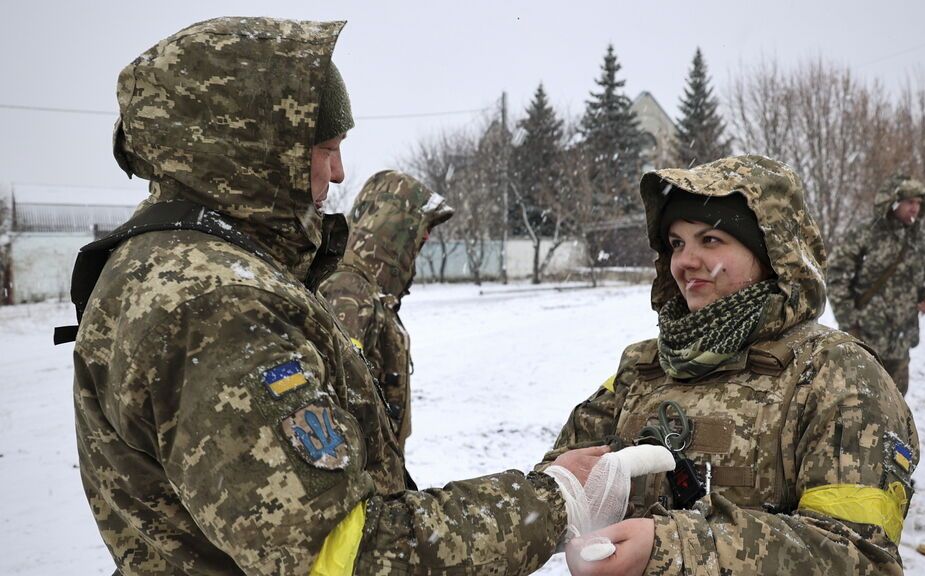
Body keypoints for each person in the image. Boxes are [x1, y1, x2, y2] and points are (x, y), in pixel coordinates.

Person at [70, 17, 604, 575]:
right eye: (325, 147)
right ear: (250, 152)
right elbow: (347, 554)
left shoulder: (168, 264)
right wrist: (553, 498)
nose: (340, 169)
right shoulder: (219, 304)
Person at [542, 156, 919, 575]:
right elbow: (553, 487)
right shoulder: (644, 367)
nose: (685, 261)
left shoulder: (838, 374)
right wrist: (575, 505)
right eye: (677, 243)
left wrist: (672, 550)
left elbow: (858, 557)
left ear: (771, 253)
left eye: (711, 240)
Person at [322, 170, 453, 454]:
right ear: (390, 224)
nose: (427, 236)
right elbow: (341, 407)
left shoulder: (371, 289)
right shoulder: (348, 290)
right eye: (420, 225)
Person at [827, 174, 925, 395]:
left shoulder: (921, 240)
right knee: (859, 406)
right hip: (864, 339)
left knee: (896, 408)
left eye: (919, 203)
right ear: (894, 202)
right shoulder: (865, 233)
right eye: (909, 202)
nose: (915, 208)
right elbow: (836, 275)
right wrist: (849, 322)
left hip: (901, 341)